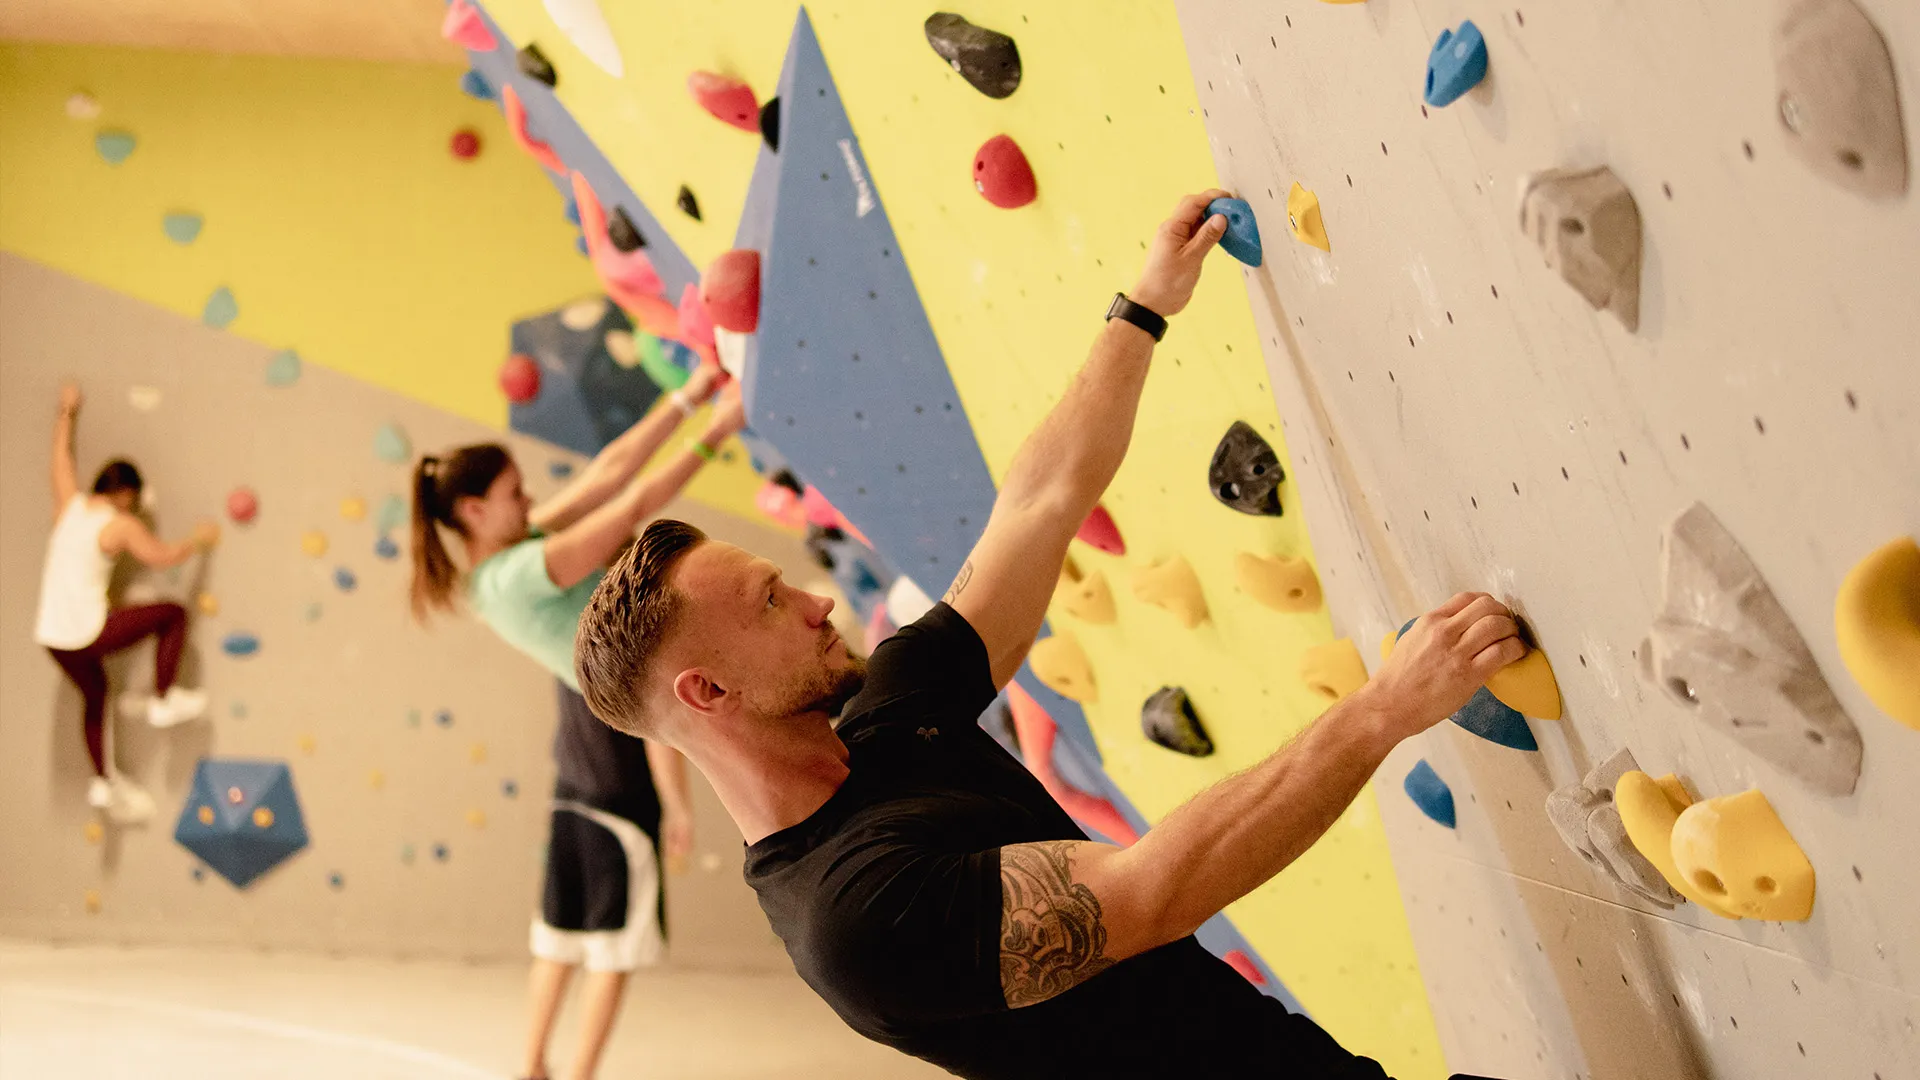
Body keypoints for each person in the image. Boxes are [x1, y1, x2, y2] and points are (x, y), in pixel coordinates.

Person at [571, 191, 1524, 1079]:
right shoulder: (857, 915)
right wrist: (1386, 709)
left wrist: (1143, 307)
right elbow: (1155, 891)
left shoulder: (885, 720)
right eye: (772, 603)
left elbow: (1036, 505)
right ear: (708, 691)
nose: (818, 601)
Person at [408, 363, 746, 1080]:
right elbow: (630, 510)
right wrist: (716, 431)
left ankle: (532, 1065)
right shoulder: (521, 575)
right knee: (613, 949)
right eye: (514, 493)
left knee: (562, 933)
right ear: (473, 510)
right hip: (615, 758)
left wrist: (689, 394)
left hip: (581, 757)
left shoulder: (501, 563)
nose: (529, 498)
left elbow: (611, 471)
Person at [36, 382, 219, 825]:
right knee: (173, 615)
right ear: (126, 495)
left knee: (96, 694)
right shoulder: (118, 524)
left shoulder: (70, 507)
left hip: (52, 636)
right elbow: (162, 556)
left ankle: (103, 780)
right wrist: (198, 542)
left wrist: (67, 411)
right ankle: (164, 697)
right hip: (86, 631)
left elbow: (61, 459)